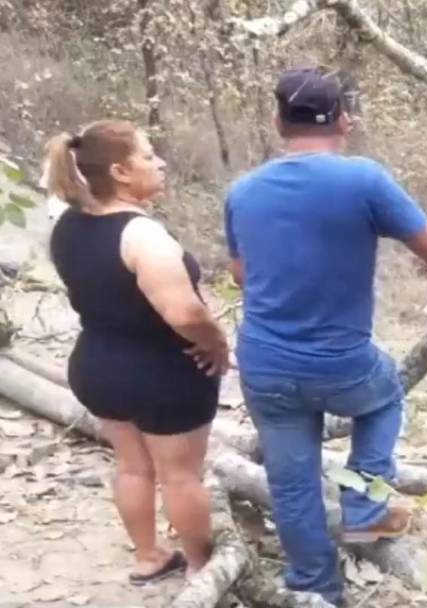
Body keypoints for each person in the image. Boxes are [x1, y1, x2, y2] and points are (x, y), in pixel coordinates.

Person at [223, 67, 427, 605]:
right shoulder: (362, 178)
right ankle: (366, 507)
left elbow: (239, 275)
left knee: (291, 482)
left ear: (278, 121)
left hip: (265, 363)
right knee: (385, 396)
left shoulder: (242, 191)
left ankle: (314, 588)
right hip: (342, 365)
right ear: (344, 121)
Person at [42, 120, 229, 585]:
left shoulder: (69, 225)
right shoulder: (142, 236)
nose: (160, 162)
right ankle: (202, 569)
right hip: (160, 372)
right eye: (149, 156)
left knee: (132, 465)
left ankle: (148, 556)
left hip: (97, 365)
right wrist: (217, 343)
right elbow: (183, 312)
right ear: (122, 172)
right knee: (181, 475)